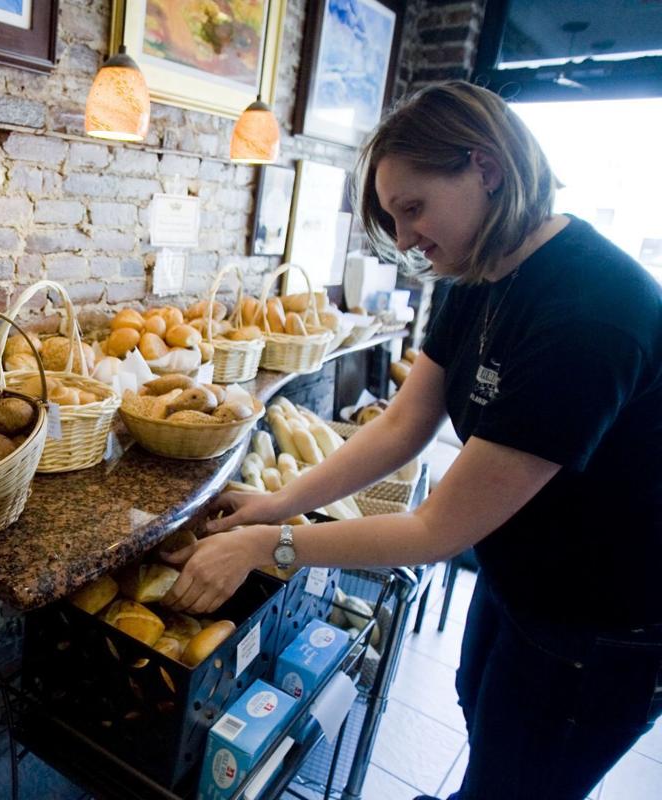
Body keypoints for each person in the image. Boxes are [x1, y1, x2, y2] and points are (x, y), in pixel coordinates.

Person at [161, 80, 662, 800]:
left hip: (604, 622)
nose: (404, 241)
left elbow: (434, 529)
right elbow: (404, 423)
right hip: (522, 576)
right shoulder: (480, 275)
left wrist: (270, 546)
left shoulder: (591, 314)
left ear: (484, 168)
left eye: (414, 209)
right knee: (482, 714)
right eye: (395, 220)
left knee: (521, 779)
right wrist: (280, 504)